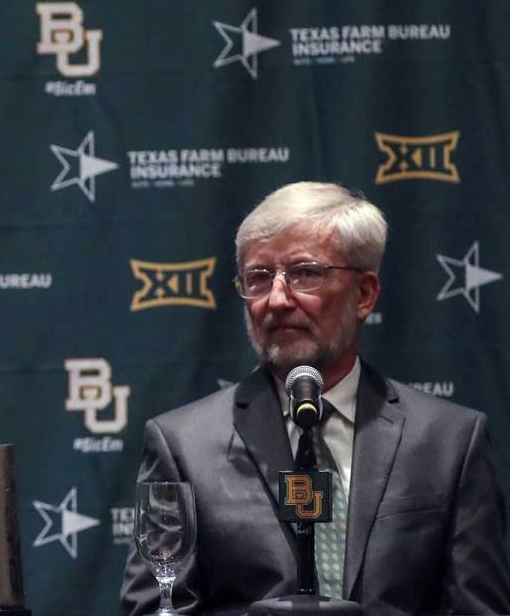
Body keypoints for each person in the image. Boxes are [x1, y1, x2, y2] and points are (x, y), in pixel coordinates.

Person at [121, 182, 510, 615]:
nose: (278, 299)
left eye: (305, 273)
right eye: (258, 277)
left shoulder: (449, 441)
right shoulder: (182, 445)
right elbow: (160, 606)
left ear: (364, 294)